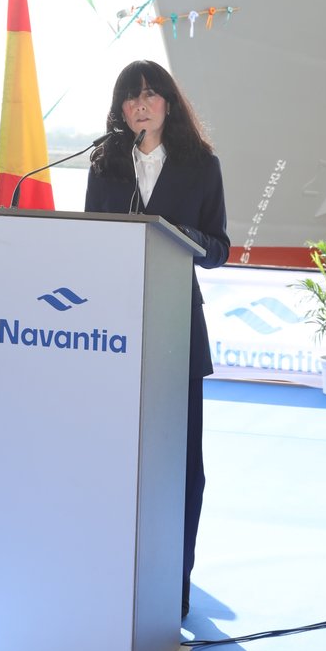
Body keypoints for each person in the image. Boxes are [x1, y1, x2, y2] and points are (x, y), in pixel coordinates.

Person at [85, 60, 229, 618]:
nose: (140, 105)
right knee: (117, 461)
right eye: (130, 97)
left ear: (169, 103)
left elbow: (219, 248)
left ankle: (174, 584)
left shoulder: (201, 165)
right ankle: (112, 578)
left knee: (180, 465)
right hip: (112, 332)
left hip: (175, 333)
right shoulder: (105, 162)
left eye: (149, 95)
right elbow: (91, 239)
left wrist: (185, 237)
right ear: (120, 109)